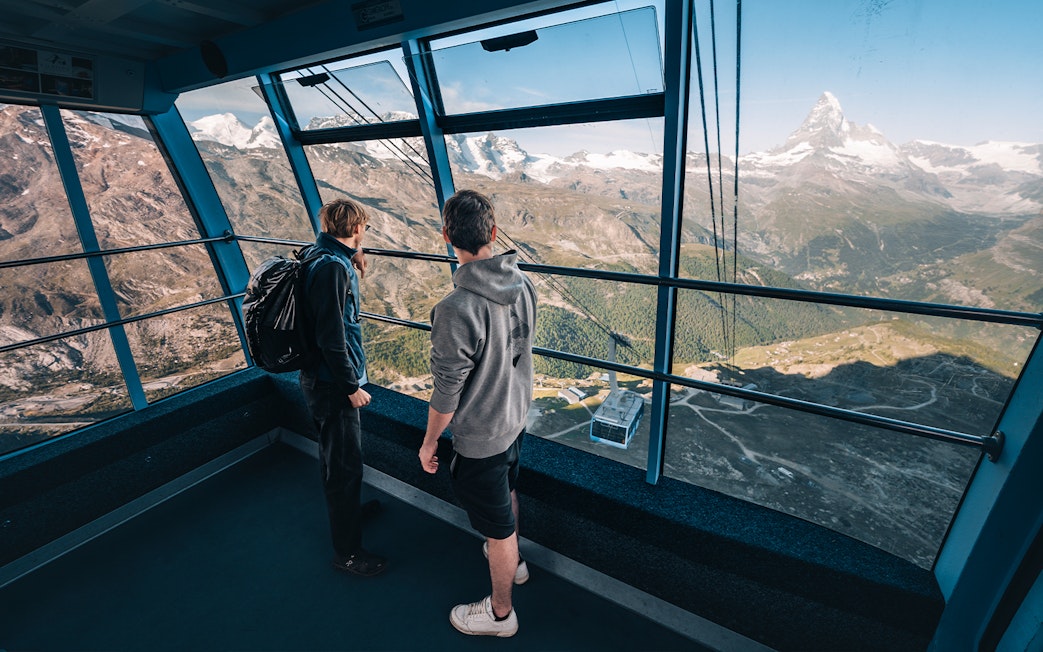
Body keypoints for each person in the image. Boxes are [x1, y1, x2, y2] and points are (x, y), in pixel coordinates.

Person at [418, 189, 537, 637]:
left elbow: (447, 389)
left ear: (447, 236)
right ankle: (516, 564)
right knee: (506, 495)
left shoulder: (455, 309)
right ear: (492, 232)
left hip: (482, 434)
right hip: (514, 419)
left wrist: (430, 442)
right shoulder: (523, 283)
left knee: (498, 531)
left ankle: (500, 615)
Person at [299, 197, 386, 577]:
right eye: (362, 228)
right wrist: (351, 386)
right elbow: (332, 337)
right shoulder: (333, 269)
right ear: (355, 228)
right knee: (344, 465)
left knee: (335, 457)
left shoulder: (317, 254)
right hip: (333, 384)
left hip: (318, 378)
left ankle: (348, 513)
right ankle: (348, 553)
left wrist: (354, 255)